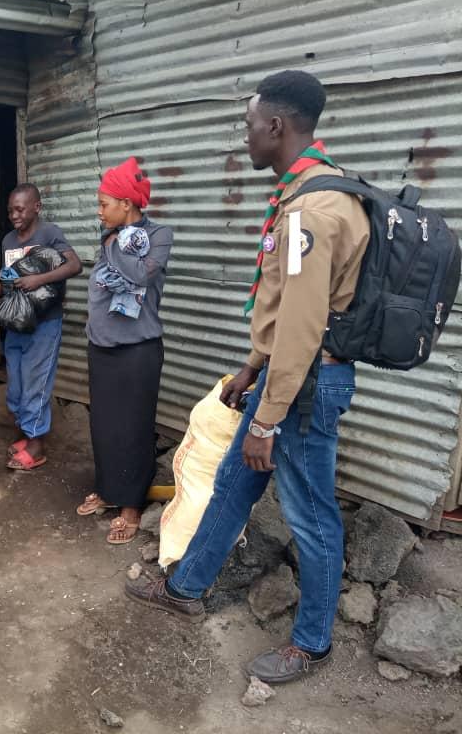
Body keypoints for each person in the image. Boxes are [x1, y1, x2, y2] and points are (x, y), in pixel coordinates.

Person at [125, 70, 368, 683]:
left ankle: (311, 644)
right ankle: (186, 587)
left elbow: (304, 327)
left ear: (277, 126)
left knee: (311, 516)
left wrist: (266, 418)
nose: (246, 137)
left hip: (304, 387)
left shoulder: (312, 210)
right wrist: (249, 369)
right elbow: (285, 311)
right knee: (234, 483)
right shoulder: (307, 194)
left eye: (250, 125)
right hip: (285, 376)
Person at [76, 156, 174, 545]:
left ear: (126, 204)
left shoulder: (159, 235)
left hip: (138, 351)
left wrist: (115, 244)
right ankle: (108, 489)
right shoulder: (111, 236)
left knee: (134, 427)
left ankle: (131, 504)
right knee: (103, 424)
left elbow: (138, 274)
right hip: (102, 347)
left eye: (104, 204)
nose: (99, 212)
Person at [0, 183, 81, 469]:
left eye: (20, 209)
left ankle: (36, 445)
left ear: (37, 207)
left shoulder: (49, 233)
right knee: (17, 385)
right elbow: (9, 282)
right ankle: (26, 431)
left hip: (44, 324)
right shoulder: (8, 241)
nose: (14, 215)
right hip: (16, 323)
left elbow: (74, 266)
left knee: (36, 382)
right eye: (11, 210)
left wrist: (39, 280)